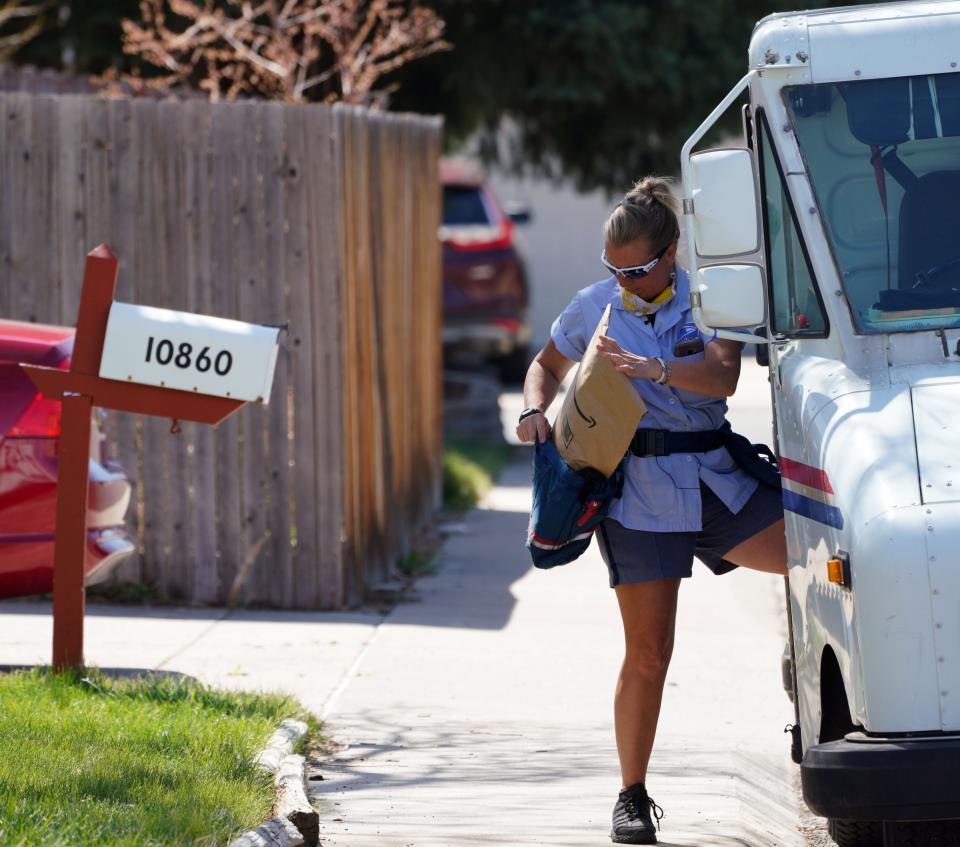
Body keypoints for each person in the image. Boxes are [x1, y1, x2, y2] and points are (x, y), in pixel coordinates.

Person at [515, 176, 788, 845]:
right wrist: (532, 410)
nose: (625, 282)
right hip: (637, 496)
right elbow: (543, 366)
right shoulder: (595, 305)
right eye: (614, 270)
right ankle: (631, 797)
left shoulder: (708, 300)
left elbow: (724, 375)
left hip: (716, 478)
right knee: (649, 653)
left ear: (671, 254)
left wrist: (651, 367)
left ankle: (810, 675)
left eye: (636, 269)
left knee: (823, 563)